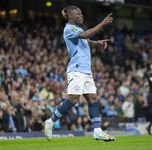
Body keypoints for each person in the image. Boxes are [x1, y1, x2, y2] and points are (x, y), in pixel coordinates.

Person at [44, 5, 115, 141]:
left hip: (86, 70)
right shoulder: (69, 29)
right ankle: (51, 121)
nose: (82, 16)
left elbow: (86, 41)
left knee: (92, 99)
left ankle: (97, 131)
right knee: (73, 99)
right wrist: (102, 23)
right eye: (79, 14)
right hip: (76, 69)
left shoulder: (77, 29)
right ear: (71, 16)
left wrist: (98, 43)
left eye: (81, 13)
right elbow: (85, 35)